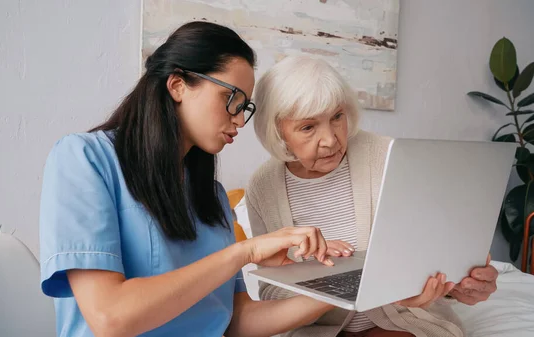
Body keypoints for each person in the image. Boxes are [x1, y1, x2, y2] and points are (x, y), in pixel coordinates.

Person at [38, 21, 350, 337]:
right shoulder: (85, 159)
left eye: (244, 106)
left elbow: (235, 320)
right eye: (231, 98)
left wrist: (345, 289)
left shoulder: (210, 195)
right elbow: (110, 318)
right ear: (177, 86)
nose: (239, 119)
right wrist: (245, 252)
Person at [247, 55, 499, 337]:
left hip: (400, 320)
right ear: (278, 130)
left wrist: (461, 279)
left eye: (337, 117)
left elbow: (430, 248)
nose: (330, 139)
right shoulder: (262, 186)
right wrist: (323, 285)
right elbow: (269, 290)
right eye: (308, 127)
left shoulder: (387, 156)